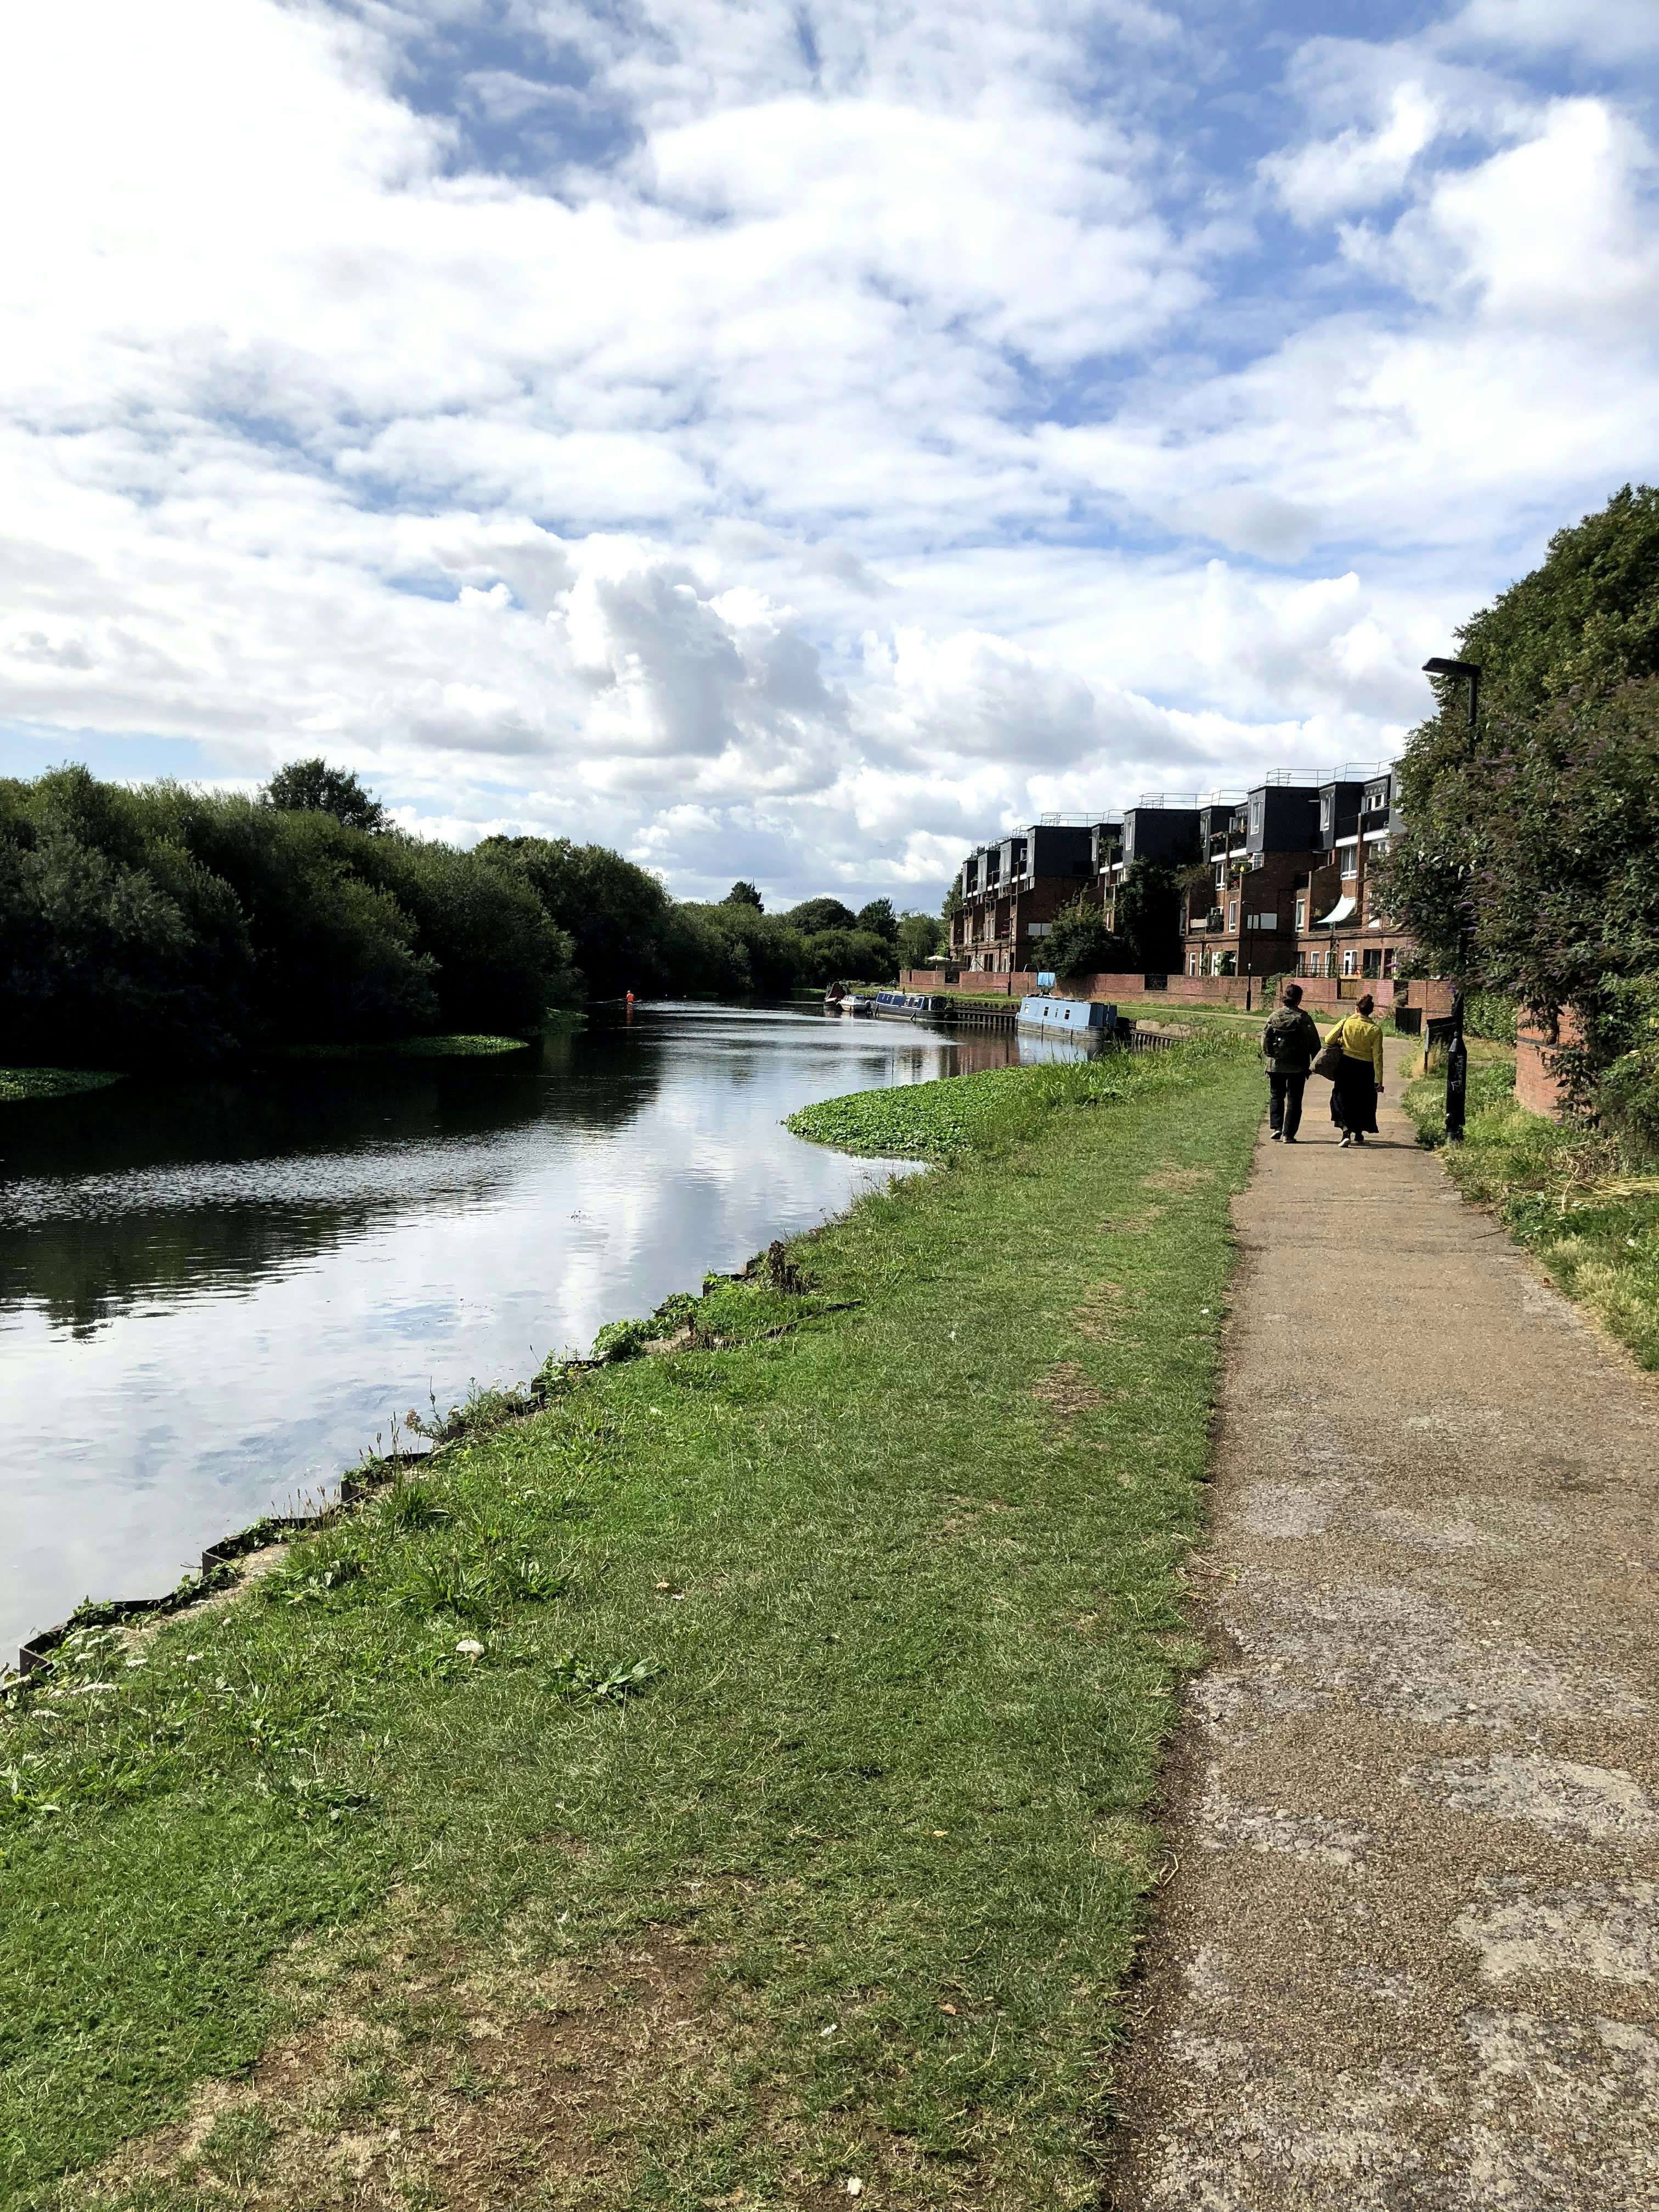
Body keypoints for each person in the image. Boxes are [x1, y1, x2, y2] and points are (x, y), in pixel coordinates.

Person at [1261, 981, 1321, 1142]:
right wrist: (1315, 1064)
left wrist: (1270, 1055)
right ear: (1299, 999)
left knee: (1276, 1096)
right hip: (1298, 1066)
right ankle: (1289, 1134)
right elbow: (1315, 1043)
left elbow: (1264, 1040)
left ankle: (1277, 1127)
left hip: (1276, 1065)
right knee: (1294, 1099)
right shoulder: (1304, 1018)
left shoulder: (1274, 1016)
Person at [1326, 991, 1385, 1146]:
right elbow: (1378, 1056)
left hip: (1346, 1064)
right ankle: (1359, 1133)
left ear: (1357, 1009)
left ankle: (1346, 1132)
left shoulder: (1346, 1023)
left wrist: (1341, 1040)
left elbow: (1328, 1039)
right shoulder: (1375, 1030)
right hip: (1366, 1068)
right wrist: (1378, 1080)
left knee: (1341, 1099)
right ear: (1370, 1012)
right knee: (1363, 1101)